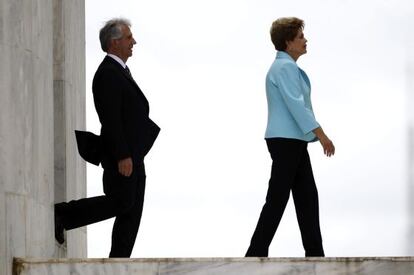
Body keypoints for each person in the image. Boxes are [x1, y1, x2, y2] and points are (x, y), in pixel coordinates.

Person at [54, 18, 160, 258]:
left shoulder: (119, 71)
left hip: (134, 155)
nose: (134, 42)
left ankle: (119, 263)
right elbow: (110, 118)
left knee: (131, 211)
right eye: (129, 37)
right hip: (122, 156)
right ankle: (63, 213)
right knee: (122, 202)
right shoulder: (108, 73)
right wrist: (123, 155)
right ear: (115, 42)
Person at [245, 17, 335, 257]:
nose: (305, 40)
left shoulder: (286, 67)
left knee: (306, 197)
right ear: (288, 42)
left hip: (293, 141)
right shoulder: (284, 68)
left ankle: (315, 253)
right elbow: (297, 106)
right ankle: (255, 253)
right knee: (279, 198)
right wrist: (321, 134)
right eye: (300, 37)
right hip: (286, 141)